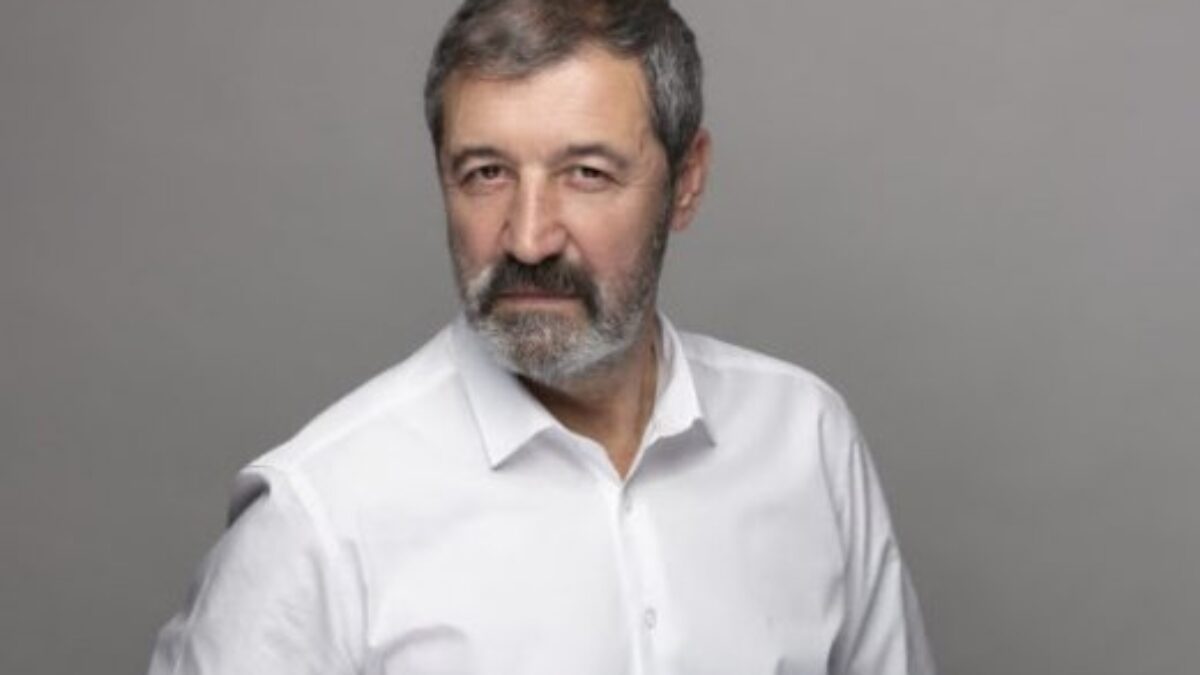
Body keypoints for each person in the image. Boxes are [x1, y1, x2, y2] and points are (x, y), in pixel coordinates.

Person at [147, 1, 935, 673]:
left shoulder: (807, 440)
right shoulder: (316, 516)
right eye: (486, 172)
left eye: (586, 172)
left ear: (686, 181)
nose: (528, 238)